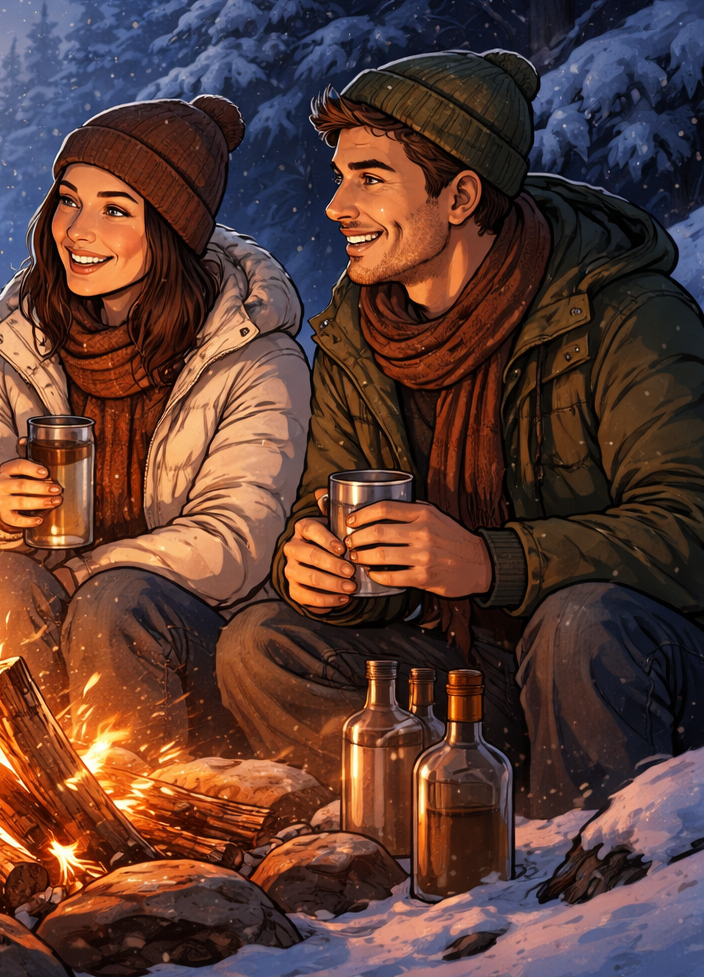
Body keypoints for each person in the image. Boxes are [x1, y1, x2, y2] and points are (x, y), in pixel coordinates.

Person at [218, 49, 704, 817]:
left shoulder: (623, 314)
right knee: (262, 646)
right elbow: (326, 499)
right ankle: (425, 841)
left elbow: (690, 533)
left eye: (370, 179)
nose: (337, 206)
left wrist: (490, 562)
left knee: (578, 625)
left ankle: (595, 876)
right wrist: (318, 567)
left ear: (461, 195)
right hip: (471, 666)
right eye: (341, 177)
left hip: (626, 669)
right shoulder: (359, 331)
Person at [0, 97, 312, 765]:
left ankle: (136, 812)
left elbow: (234, 546)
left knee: (115, 602)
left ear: (169, 228)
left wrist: (89, 570)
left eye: (115, 209)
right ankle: (27, 794)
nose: (78, 230)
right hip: (55, 627)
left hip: (191, 647)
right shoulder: (23, 343)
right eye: (68, 200)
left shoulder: (253, 355)